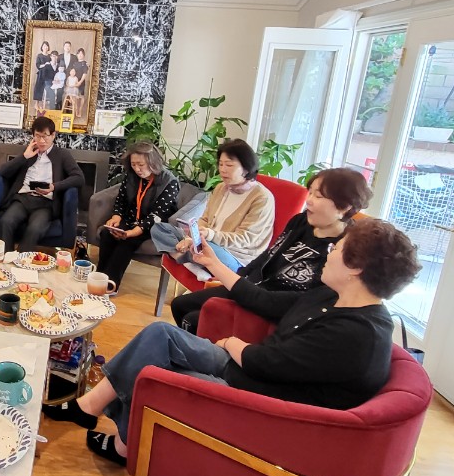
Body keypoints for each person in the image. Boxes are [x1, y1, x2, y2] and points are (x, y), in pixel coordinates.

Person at [49, 217, 420, 465]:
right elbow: (266, 302)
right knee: (161, 334)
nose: (330, 251)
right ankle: (89, 408)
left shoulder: (356, 335)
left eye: (338, 248)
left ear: (356, 268)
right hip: (247, 372)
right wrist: (214, 265)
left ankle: (123, 446)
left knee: (156, 373)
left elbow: (267, 365)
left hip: (260, 404)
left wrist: (230, 344)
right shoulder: (330, 296)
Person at [170, 167, 372, 331]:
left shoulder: (341, 251)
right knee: (181, 305)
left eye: (318, 196)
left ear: (344, 207)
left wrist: (233, 281)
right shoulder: (301, 221)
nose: (309, 200)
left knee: (194, 320)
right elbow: (268, 255)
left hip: (274, 310)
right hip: (251, 288)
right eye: (310, 192)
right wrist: (240, 278)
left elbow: (294, 303)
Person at [150, 138, 275, 277]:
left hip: (235, 258)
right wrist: (193, 238)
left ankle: (191, 259)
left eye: (229, 165)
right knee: (160, 229)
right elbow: (205, 219)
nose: (222, 169)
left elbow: (245, 239)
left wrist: (209, 235)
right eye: (220, 164)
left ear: (246, 168)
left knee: (205, 249)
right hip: (207, 243)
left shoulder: (261, 198)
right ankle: (191, 262)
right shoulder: (221, 188)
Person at [97, 141, 180, 290]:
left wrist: (133, 232)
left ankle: (110, 286)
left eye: (141, 165)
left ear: (153, 162)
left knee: (127, 242)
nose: (137, 169)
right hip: (131, 219)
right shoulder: (132, 176)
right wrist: (116, 217)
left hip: (154, 226)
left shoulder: (169, 182)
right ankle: (99, 278)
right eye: (133, 164)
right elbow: (121, 199)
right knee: (107, 234)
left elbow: (157, 215)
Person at [0, 117, 85, 251]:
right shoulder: (29, 152)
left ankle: (21, 259)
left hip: (45, 203)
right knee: (5, 221)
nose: (41, 141)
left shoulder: (62, 155)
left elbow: (79, 177)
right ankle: (6, 259)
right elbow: (3, 172)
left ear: (53, 135)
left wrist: (54, 187)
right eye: (38, 136)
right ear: (33, 135)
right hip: (23, 199)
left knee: (35, 228)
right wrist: (24, 156)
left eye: (45, 136)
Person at [32, 41, 51, 111]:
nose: (45, 47)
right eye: (44, 46)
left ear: (48, 47)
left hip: (48, 75)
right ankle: (36, 104)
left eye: (47, 46)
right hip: (41, 74)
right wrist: (45, 64)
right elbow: (38, 65)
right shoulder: (39, 55)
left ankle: (43, 105)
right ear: (42, 47)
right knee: (39, 88)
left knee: (46, 89)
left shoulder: (50, 56)